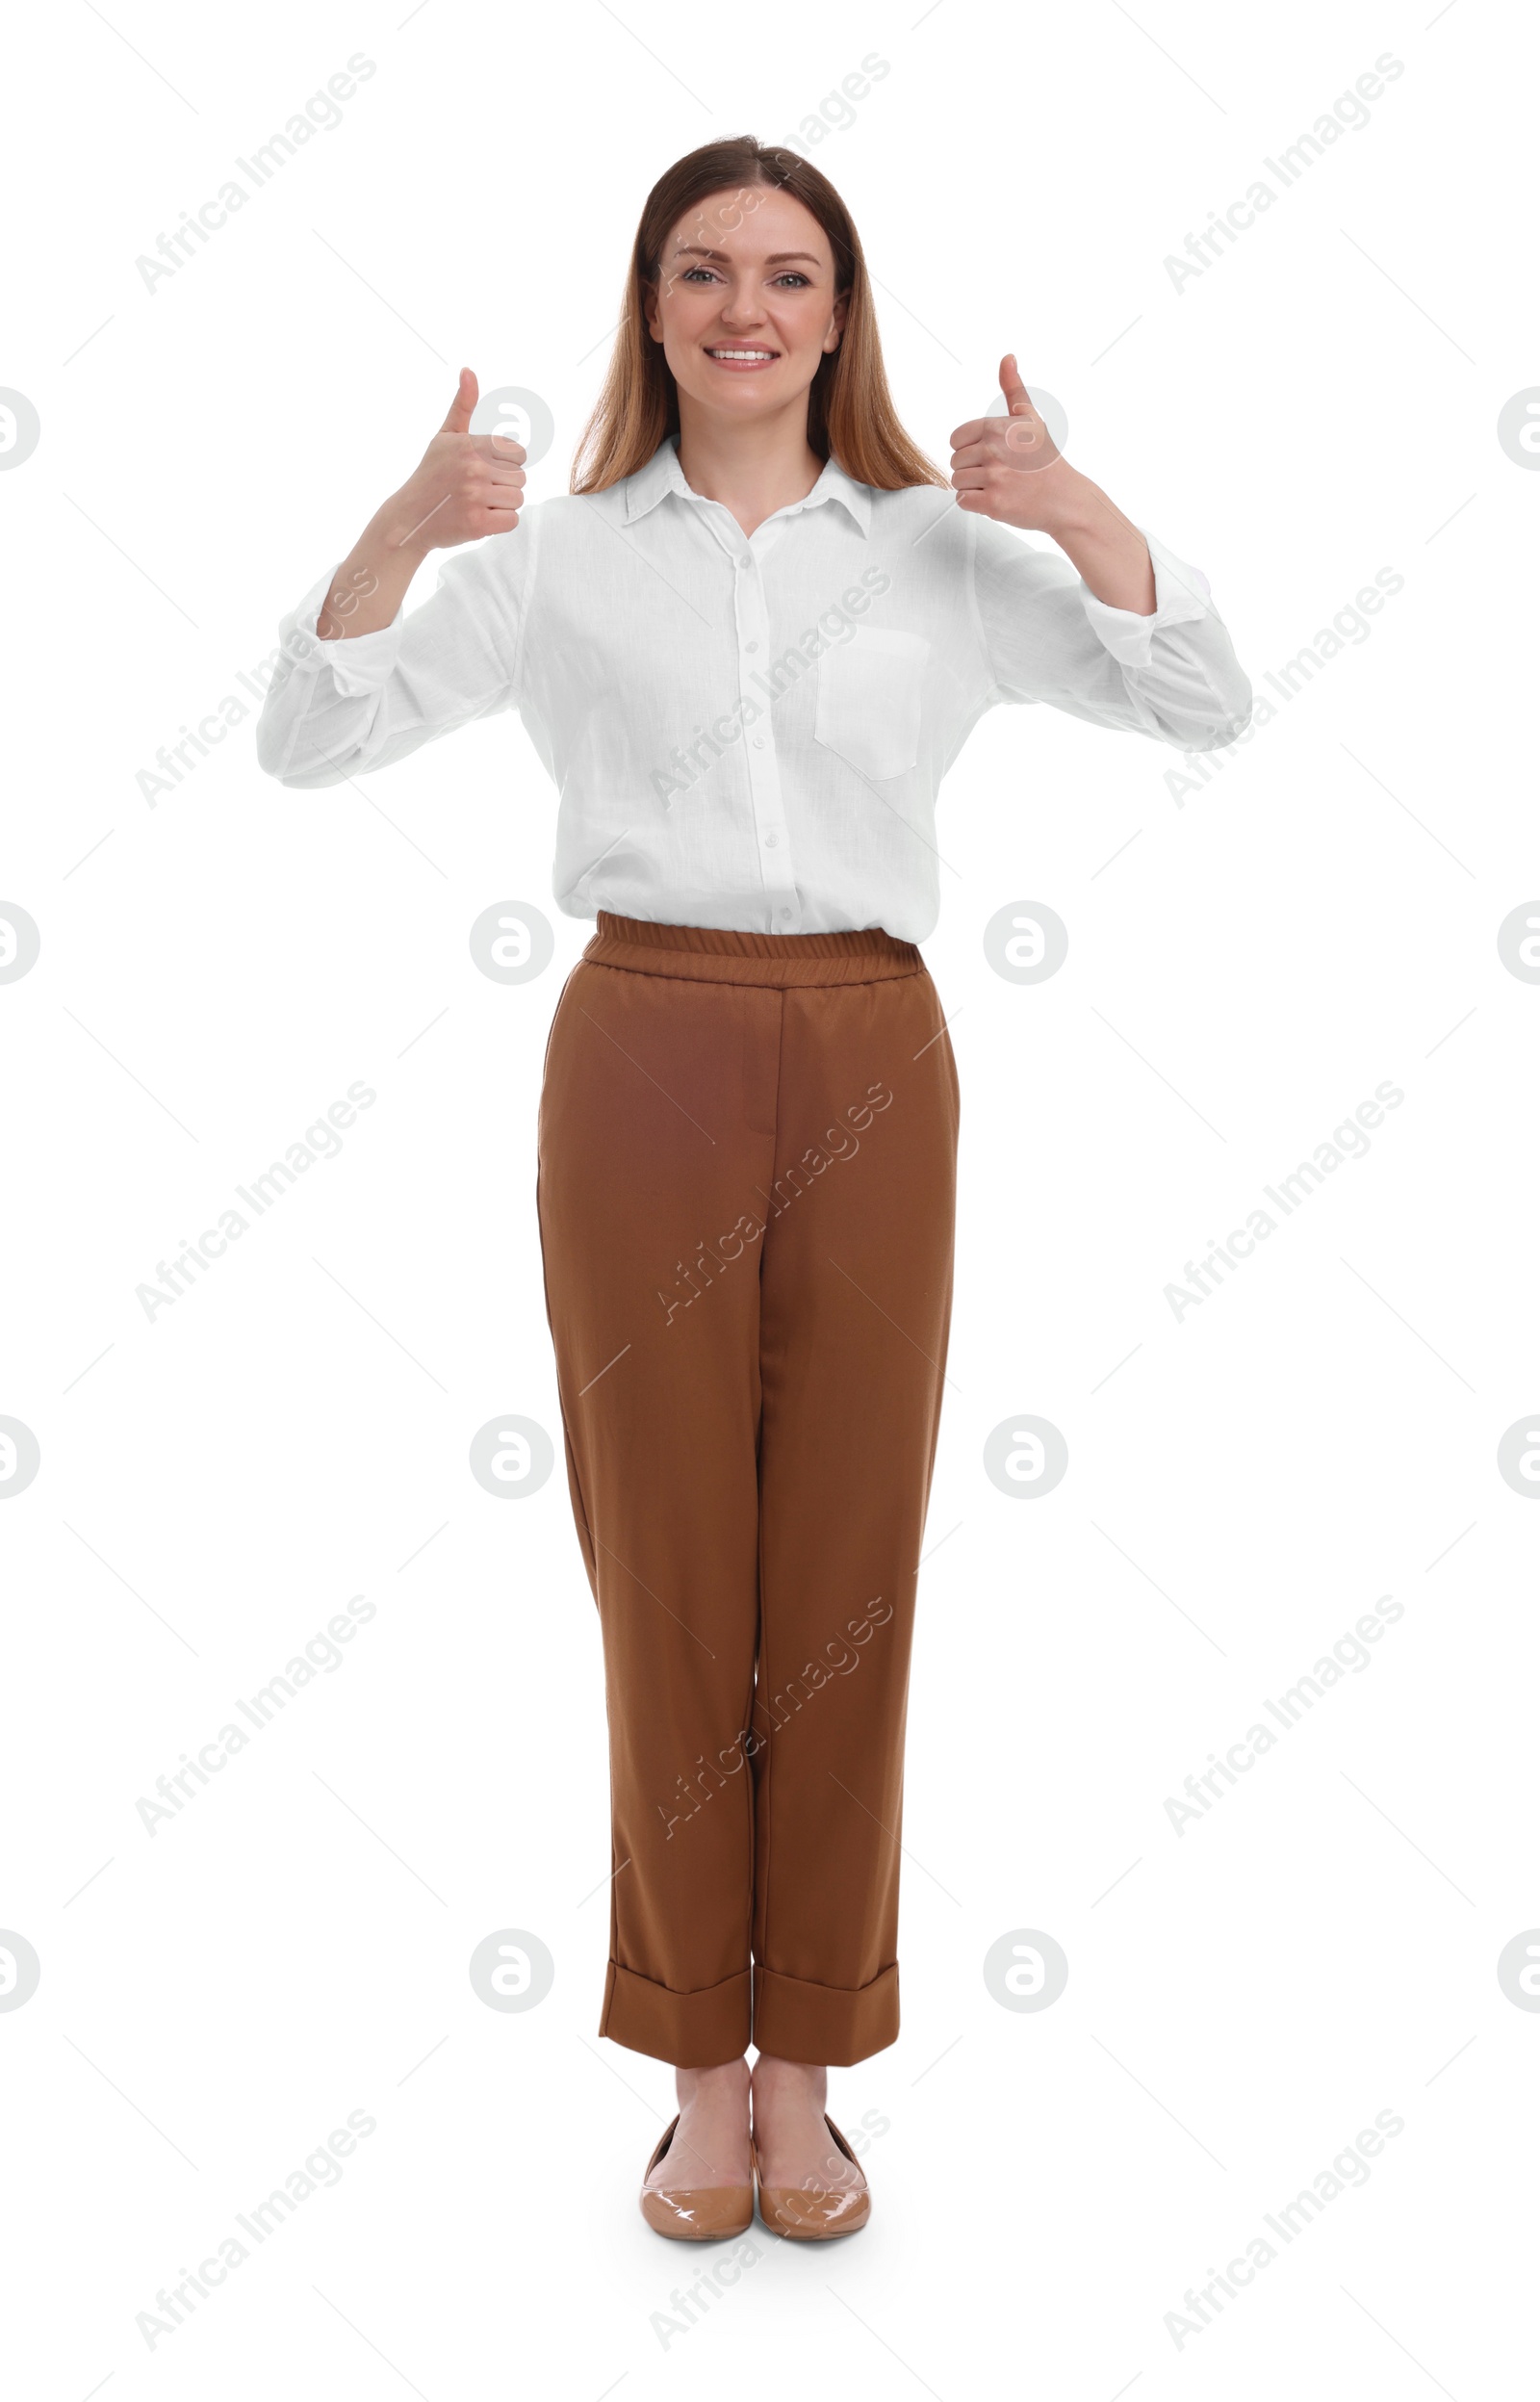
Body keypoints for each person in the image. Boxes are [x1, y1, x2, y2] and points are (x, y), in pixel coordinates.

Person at [256, 134, 1251, 2242]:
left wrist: (1069, 508)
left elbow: (1198, 698)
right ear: (646, 305)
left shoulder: (935, 548)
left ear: (837, 312)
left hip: (876, 1057)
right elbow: (308, 736)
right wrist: (398, 532)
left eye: (787, 274)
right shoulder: (553, 559)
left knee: (844, 1571)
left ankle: (813, 2070)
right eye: (701, 270)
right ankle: (697, 2074)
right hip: (640, 1043)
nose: (744, 308)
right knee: (669, 1562)